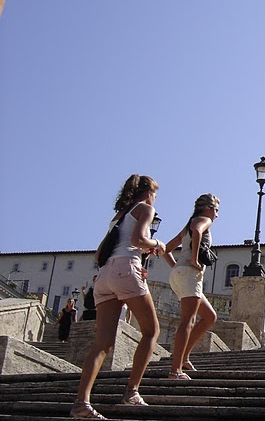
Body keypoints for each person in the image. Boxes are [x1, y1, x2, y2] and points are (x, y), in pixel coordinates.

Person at [71, 174, 165, 419]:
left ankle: (81, 403)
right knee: (151, 331)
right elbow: (138, 239)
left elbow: (103, 250)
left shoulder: (119, 216)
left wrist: (140, 253)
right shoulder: (145, 208)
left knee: (102, 343)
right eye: (155, 194)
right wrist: (157, 244)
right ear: (149, 193)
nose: (155, 199)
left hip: (104, 276)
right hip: (125, 269)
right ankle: (132, 392)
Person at [163, 193, 221, 380]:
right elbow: (197, 231)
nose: (217, 215)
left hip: (181, 273)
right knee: (188, 320)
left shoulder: (189, 223)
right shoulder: (203, 220)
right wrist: (194, 260)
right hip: (190, 274)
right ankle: (175, 370)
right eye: (216, 210)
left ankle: (184, 357)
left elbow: (166, 249)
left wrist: (177, 267)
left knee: (209, 316)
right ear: (208, 208)